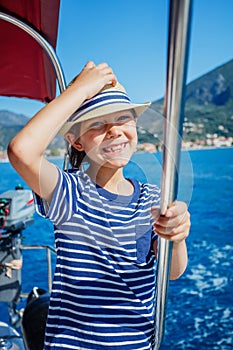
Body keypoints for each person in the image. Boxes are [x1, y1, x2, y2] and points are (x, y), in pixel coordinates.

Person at [8, 61, 190, 350]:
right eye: (97, 124)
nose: (115, 131)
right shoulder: (69, 193)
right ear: (76, 142)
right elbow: (22, 151)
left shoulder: (152, 198)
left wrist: (177, 238)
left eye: (123, 119)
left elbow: (172, 271)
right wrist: (79, 90)